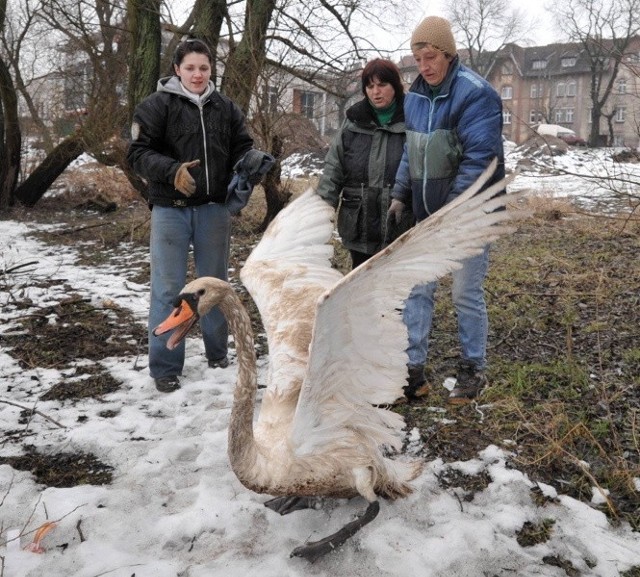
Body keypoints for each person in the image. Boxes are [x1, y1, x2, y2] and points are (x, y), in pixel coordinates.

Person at [127, 39, 255, 393]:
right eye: (190, 68)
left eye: (204, 68)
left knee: (214, 286)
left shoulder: (225, 108)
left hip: (213, 210)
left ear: (211, 70)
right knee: (168, 288)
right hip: (171, 211)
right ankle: (166, 366)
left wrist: (251, 162)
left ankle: (217, 354)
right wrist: (172, 171)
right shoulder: (156, 106)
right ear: (176, 70)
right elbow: (137, 153)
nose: (197, 74)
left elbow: (242, 147)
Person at [389, 16, 505, 404]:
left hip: (470, 215)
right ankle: (413, 373)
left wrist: (451, 213)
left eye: (431, 56)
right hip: (428, 215)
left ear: (448, 53)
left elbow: (479, 159)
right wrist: (400, 194)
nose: (424, 65)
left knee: (464, 292)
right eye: (417, 57)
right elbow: (412, 150)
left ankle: (472, 369)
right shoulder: (415, 98)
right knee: (418, 290)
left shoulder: (476, 94)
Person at [316, 58, 414, 269]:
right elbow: (334, 166)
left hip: (398, 223)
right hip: (359, 221)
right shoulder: (352, 121)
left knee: (395, 292)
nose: (375, 92)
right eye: (370, 86)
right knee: (361, 289)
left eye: (382, 85)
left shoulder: (412, 120)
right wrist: (323, 210)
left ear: (395, 87)